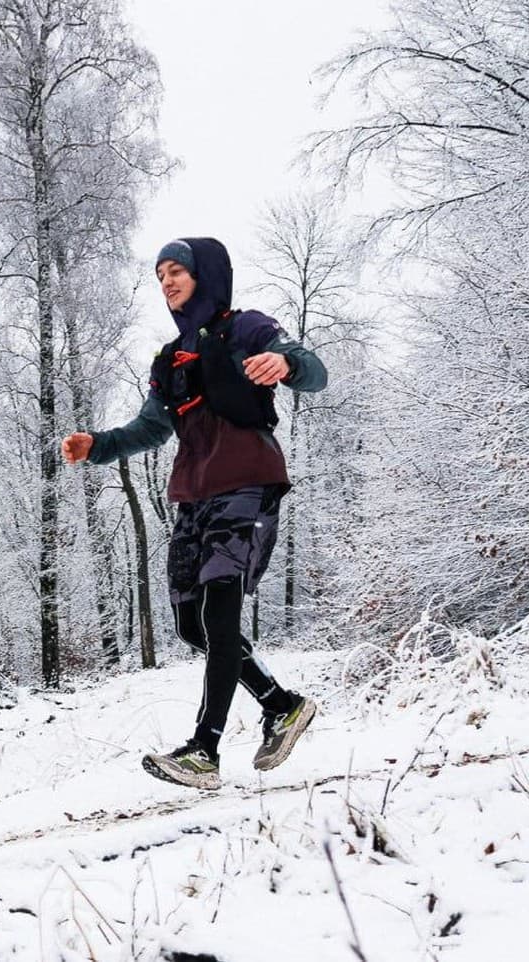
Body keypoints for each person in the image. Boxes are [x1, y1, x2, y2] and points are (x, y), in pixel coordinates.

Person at [61, 236, 327, 790]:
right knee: (190, 623)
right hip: (194, 494)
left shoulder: (248, 327)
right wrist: (99, 446)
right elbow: (152, 428)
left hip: (247, 481)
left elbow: (312, 369)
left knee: (222, 606)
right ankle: (281, 704)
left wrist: (283, 362)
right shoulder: (168, 359)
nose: (167, 282)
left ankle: (204, 750)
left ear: (206, 274)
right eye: (160, 276)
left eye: (177, 271)